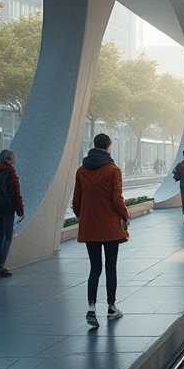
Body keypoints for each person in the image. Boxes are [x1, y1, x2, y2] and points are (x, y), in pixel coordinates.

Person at [73, 133, 129, 327]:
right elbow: (116, 199)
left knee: (94, 268)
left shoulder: (81, 171)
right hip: (110, 227)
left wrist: (86, 218)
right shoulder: (113, 170)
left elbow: (76, 202)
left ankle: (91, 308)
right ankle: (112, 307)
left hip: (91, 228)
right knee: (110, 267)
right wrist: (125, 215)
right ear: (108, 147)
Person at [0, 149, 25, 277]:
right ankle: (1, 266)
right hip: (7, 210)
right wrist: (20, 210)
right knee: (7, 237)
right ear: (9, 159)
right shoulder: (11, 174)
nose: (15, 159)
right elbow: (16, 194)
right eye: (13, 157)